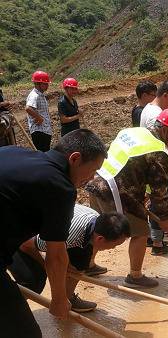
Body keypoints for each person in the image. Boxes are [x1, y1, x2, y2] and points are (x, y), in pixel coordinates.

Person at [0, 129, 107, 337]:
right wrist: (59, 299)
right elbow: (56, 253)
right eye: (93, 169)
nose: (92, 178)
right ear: (75, 159)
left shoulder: (11, 152)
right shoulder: (60, 186)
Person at [86, 109, 168, 288]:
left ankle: (88, 264)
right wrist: (164, 220)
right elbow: (159, 193)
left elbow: (129, 164)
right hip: (115, 192)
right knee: (141, 231)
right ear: (167, 130)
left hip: (97, 182)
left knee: (98, 228)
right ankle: (135, 276)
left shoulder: (133, 131)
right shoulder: (160, 152)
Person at [9, 205, 130, 313]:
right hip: (15, 235)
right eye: (114, 245)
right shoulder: (67, 233)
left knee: (82, 260)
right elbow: (26, 245)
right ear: (100, 239)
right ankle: (9, 309)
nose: (113, 248)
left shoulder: (97, 223)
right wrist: (46, 265)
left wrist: (67, 266)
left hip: (57, 233)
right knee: (34, 282)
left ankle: (68, 299)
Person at [139, 80, 168, 255]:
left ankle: (152, 238)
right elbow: (162, 141)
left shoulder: (148, 109)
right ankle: (157, 242)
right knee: (159, 200)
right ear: (166, 95)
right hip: (158, 166)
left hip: (156, 163)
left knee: (153, 199)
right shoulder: (156, 114)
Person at [25, 71, 52, 151]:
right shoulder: (34, 95)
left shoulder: (40, 95)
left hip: (44, 130)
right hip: (39, 130)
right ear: (38, 84)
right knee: (42, 154)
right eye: (45, 84)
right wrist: (39, 118)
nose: (47, 86)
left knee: (45, 153)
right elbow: (28, 108)